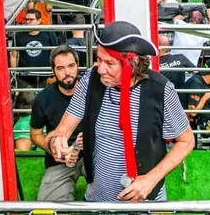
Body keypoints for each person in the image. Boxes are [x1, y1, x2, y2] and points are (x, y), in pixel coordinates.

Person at [45, 21, 194, 202]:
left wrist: (151, 180)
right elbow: (63, 129)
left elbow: (186, 141)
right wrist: (57, 140)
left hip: (145, 203)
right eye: (98, 59)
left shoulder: (161, 90)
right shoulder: (91, 80)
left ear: (133, 62)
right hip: (99, 199)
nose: (100, 69)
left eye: (109, 63)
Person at [29, 45, 84, 201]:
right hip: (60, 160)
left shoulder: (92, 92)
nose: (67, 73)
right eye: (60, 68)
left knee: (115, 196)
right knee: (48, 206)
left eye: (71, 66)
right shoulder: (43, 98)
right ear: (53, 71)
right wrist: (52, 148)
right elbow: (35, 134)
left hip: (94, 155)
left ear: (77, 65)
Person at [10, 9, 60, 87]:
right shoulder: (19, 35)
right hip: (24, 77)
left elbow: (56, 54)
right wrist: (14, 74)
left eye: (31, 19)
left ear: (39, 21)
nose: (27, 22)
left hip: (45, 76)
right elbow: (14, 55)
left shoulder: (49, 33)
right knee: (25, 99)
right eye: (26, 19)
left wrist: (55, 73)